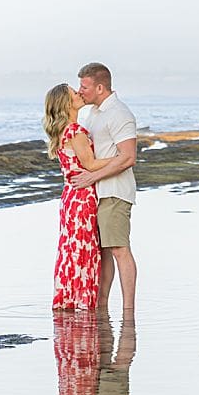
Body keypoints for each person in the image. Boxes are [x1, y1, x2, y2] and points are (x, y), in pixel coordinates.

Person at [71, 62, 138, 314]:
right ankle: (102, 305)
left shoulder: (119, 113)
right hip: (96, 193)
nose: (80, 91)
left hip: (114, 192)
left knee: (119, 249)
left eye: (84, 86)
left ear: (100, 87)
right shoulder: (93, 113)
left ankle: (129, 311)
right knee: (103, 252)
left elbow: (128, 157)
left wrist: (92, 177)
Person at [43, 84, 114, 311]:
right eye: (74, 93)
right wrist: (120, 157)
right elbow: (90, 164)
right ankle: (83, 303)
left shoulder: (63, 131)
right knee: (85, 249)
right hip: (82, 197)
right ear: (66, 103)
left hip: (69, 197)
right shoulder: (75, 131)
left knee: (71, 249)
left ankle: (69, 301)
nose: (79, 94)